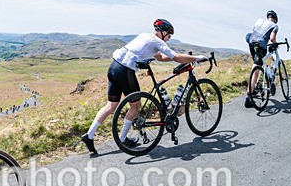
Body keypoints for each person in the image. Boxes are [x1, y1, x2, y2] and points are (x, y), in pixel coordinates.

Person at [80, 19, 207, 154]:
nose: (169, 39)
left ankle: (89, 136)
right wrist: (196, 58)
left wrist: (182, 57)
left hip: (114, 66)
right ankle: (122, 140)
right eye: (169, 36)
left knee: (111, 105)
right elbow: (177, 57)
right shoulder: (157, 41)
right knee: (135, 107)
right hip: (125, 70)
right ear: (164, 32)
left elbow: (160, 57)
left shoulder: (145, 36)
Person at [245, 10, 280, 108]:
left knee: (256, 65)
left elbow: (252, 32)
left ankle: (253, 89)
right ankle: (248, 97)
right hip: (261, 45)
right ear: (275, 19)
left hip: (251, 42)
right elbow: (272, 38)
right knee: (256, 70)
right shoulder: (275, 25)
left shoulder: (259, 21)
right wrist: (275, 44)